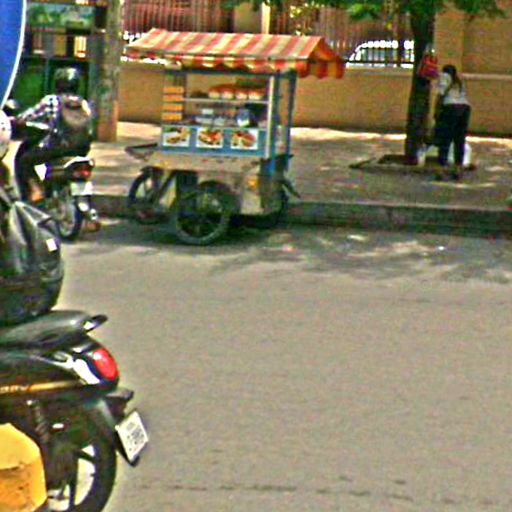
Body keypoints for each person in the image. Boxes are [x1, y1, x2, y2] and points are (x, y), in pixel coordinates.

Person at [15, 67, 92, 201]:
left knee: (24, 161)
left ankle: (36, 190)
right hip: (81, 148)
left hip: (58, 147)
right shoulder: (83, 103)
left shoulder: (51, 100)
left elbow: (26, 117)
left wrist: (16, 120)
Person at [433, 64, 471, 180]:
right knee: (459, 140)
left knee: (445, 139)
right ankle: (457, 169)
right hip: (464, 109)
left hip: (450, 108)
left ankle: (441, 169)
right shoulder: (459, 82)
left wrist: (436, 110)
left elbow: (440, 94)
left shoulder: (444, 77)